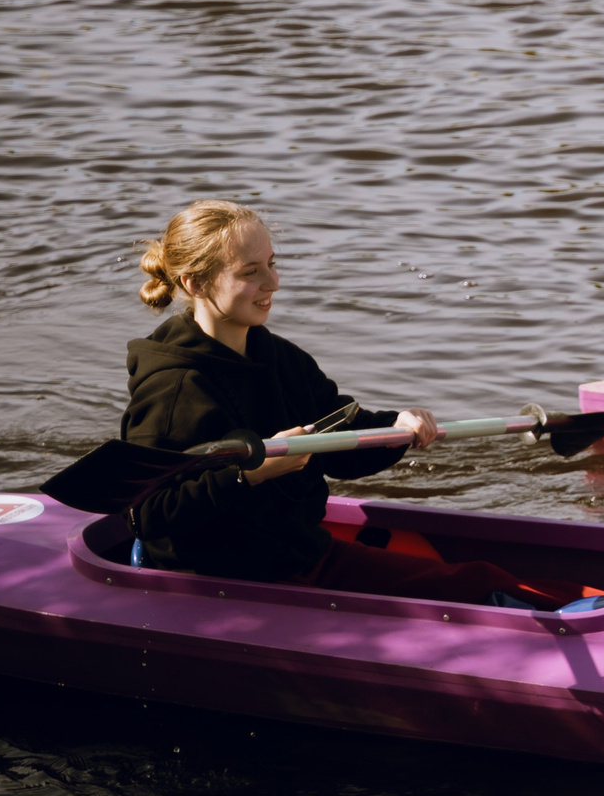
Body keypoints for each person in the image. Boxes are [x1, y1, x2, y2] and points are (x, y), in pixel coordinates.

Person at [122, 199, 531, 606]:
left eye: (272, 264)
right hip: (220, 581)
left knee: (481, 582)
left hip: (298, 554)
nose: (273, 282)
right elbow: (147, 513)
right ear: (196, 284)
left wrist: (398, 427)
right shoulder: (172, 388)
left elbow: (341, 443)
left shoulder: (280, 358)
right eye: (250, 272)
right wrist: (252, 474)